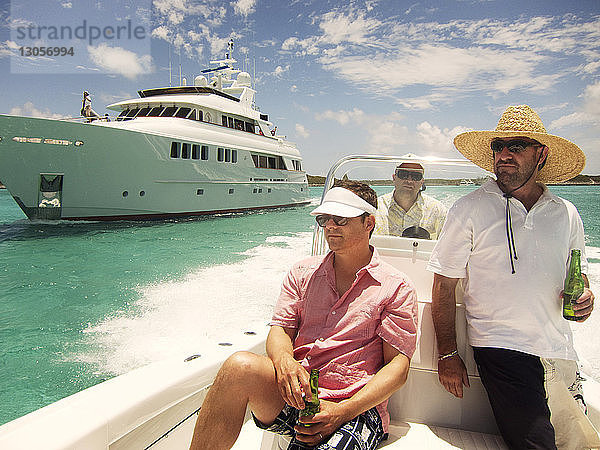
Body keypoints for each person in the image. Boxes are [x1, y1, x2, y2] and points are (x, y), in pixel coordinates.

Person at [189, 180, 418, 450]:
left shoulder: (396, 286)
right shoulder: (302, 273)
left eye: (340, 219)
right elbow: (281, 330)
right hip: (296, 394)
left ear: (369, 222)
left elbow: (398, 368)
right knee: (239, 367)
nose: (330, 226)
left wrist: (342, 412)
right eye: (324, 218)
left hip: (354, 407)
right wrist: (284, 360)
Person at [427, 105, 595, 449]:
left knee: (582, 444)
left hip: (559, 349)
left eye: (516, 146)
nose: (503, 155)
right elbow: (444, 285)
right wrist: (447, 354)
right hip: (502, 348)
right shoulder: (470, 208)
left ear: (541, 154)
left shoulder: (567, 213)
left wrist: (585, 301)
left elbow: (579, 280)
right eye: (498, 147)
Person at [373, 162, 447, 239]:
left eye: (416, 176)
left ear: (422, 182)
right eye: (403, 174)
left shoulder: (438, 210)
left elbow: (446, 244)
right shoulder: (375, 208)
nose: (409, 181)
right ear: (394, 178)